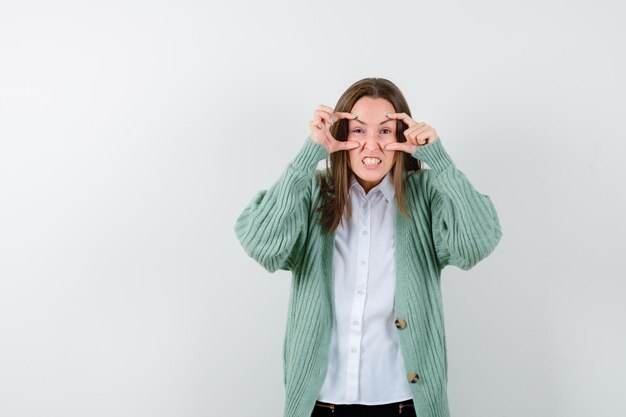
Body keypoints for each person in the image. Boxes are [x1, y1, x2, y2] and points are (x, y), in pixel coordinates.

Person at [234, 78, 502, 417]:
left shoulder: (426, 195)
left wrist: (443, 163)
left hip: (405, 403)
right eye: (359, 131)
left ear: (403, 135)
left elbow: (477, 243)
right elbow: (260, 244)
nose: (372, 145)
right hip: (321, 403)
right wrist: (308, 157)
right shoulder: (313, 192)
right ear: (342, 132)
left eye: (386, 131)